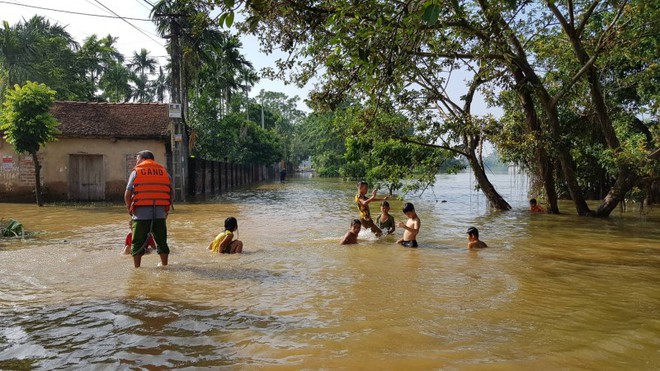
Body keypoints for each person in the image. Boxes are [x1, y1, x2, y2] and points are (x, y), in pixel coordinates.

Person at [124, 150, 172, 268]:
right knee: (161, 241)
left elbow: (127, 192)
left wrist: (129, 208)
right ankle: (164, 265)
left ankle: (137, 269)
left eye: (137, 160)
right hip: (160, 214)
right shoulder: (164, 172)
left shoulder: (136, 172)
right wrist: (166, 209)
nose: (136, 162)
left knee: (137, 243)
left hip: (141, 214)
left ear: (142, 159)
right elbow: (171, 192)